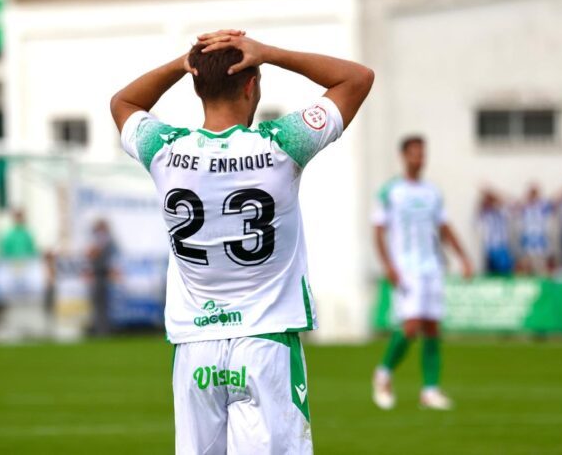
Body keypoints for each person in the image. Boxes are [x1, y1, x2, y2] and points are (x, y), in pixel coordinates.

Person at [110, 29, 373, 454]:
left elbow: (123, 103)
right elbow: (357, 79)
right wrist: (270, 52)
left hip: (195, 349)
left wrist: (186, 63)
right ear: (251, 86)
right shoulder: (280, 146)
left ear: (196, 84)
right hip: (266, 343)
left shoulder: (163, 150)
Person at [372, 135, 472, 411]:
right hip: (406, 269)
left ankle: (430, 391)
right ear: (404, 156)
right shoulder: (391, 191)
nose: (419, 158)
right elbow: (379, 231)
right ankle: (383, 374)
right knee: (411, 325)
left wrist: (463, 258)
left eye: (422, 153)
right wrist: (388, 265)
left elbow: (444, 227)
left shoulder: (432, 192)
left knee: (432, 327)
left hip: (432, 267)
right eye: (414, 153)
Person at [86, 219, 117, 336]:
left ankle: (102, 330)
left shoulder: (104, 240)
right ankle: (101, 330)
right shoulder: (103, 240)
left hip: (101, 275)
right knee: (99, 306)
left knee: (102, 305)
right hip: (99, 275)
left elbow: (94, 253)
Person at [516, 184, 554, 275]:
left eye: (534, 194)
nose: (532, 196)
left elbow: (555, 201)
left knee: (541, 266)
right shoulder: (524, 207)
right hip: (528, 240)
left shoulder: (542, 206)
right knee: (526, 265)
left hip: (540, 240)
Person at [477, 189, 514, 276]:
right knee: (490, 277)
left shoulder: (502, 211)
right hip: (489, 250)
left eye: (490, 200)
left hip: (502, 248)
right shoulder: (483, 214)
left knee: (504, 275)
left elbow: (513, 206)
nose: (488, 202)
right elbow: (477, 225)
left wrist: (496, 196)